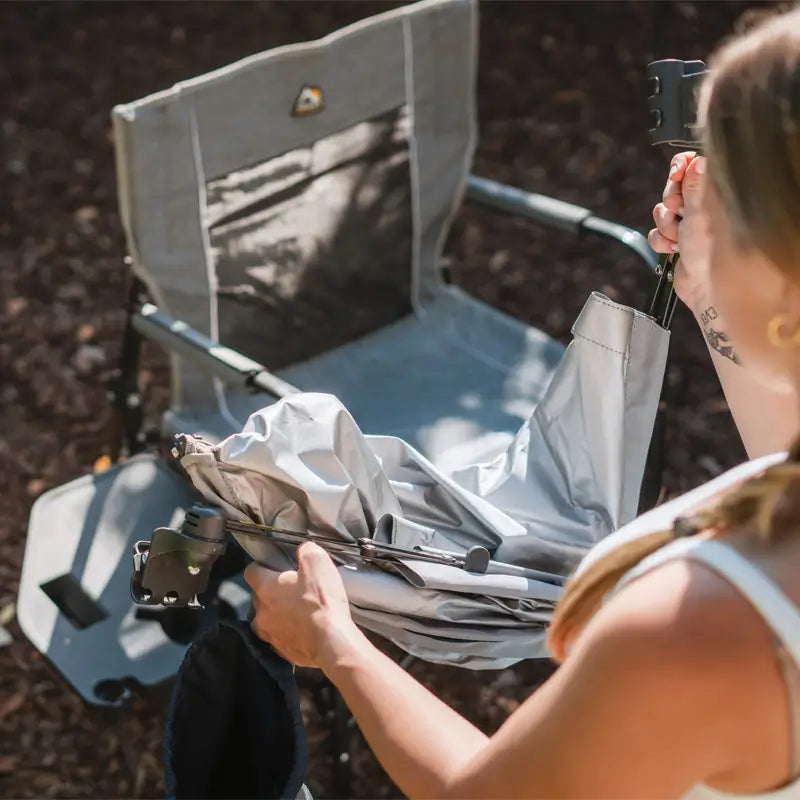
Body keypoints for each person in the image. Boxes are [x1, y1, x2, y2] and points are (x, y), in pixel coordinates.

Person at [245, 10, 800, 798]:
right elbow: (782, 453)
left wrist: (334, 641)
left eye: (734, 203)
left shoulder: (702, 628)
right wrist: (713, 293)